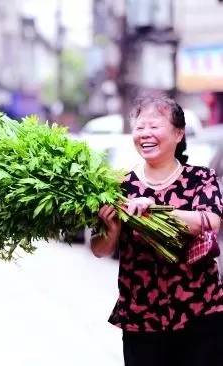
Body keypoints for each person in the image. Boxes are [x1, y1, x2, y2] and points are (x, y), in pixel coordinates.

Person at [91, 95, 223, 366]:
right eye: (139, 128)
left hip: (200, 312)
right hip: (142, 316)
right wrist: (112, 228)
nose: (145, 134)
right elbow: (99, 249)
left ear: (178, 133)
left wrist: (154, 209)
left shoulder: (201, 178)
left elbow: (210, 220)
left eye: (154, 127)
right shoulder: (119, 186)